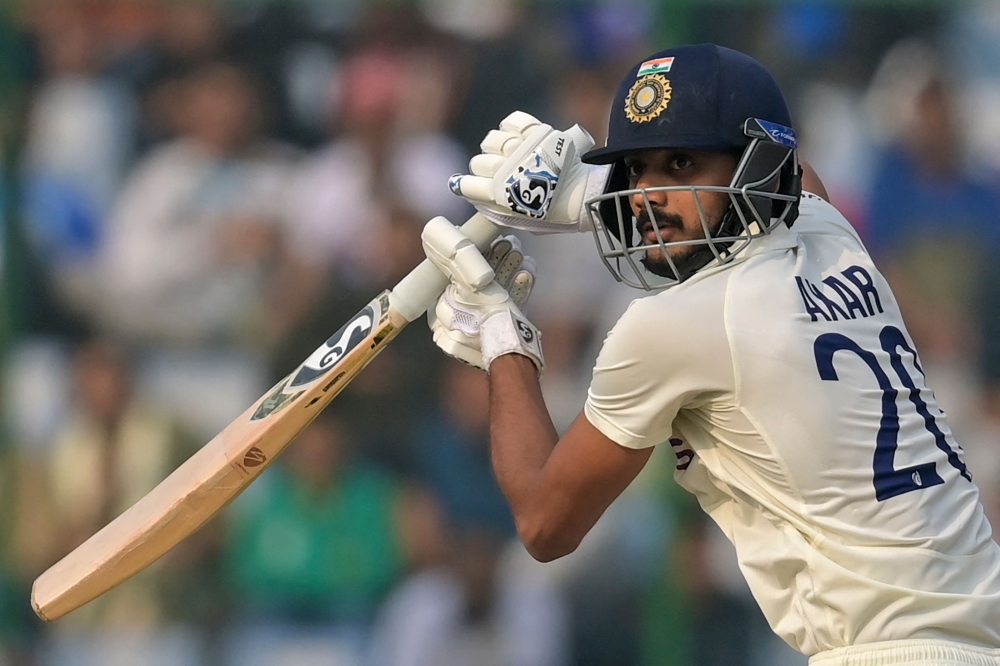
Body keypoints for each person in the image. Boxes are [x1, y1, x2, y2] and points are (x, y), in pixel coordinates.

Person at [422, 44, 1000, 665]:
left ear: (755, 165)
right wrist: (590, 192)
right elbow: (800, 184)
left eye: (680, 163)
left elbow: (543, 524)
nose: (644, 195)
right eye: (635, 170)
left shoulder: (673, 323)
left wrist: (502, 338)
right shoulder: (833, 237)